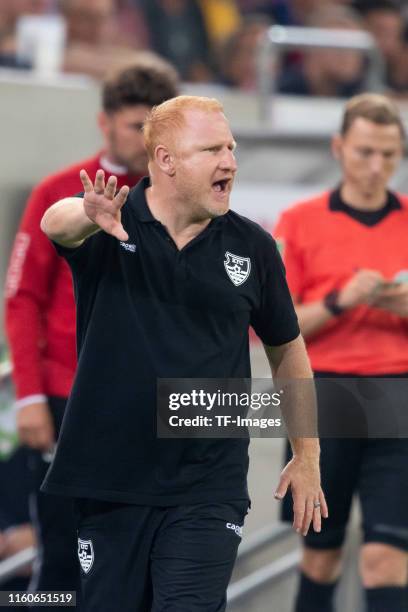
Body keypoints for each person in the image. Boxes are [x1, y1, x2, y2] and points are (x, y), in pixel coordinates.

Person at [39, 94, 327, 612]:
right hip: (110, 479)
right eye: (212, 149)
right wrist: (86, 212)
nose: (230, 162)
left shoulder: (253, 246)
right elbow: (54, 224)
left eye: (232, 148)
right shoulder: (110, 224)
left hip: (207, 484)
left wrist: (307, 455)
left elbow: (288, 351)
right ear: (166, 160)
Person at [4, 54, 179, 606]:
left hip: (153, 408)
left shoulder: (183, 202)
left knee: (147, 561)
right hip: (68, 398)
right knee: (58, 560)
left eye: (158, 125)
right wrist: (29, 396)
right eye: (136, 125)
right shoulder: (57, 192)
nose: (148, 137)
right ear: (104, 122)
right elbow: (22, 299)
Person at [274, 93, 408, 612]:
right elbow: (273, 328)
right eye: (365, 152)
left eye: (389, 155)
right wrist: (339, 300)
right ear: (339, 148)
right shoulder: (300, 221)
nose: (377, 167)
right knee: (321, 557)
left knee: (385, 559)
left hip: (398, 398)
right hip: (322, 396)